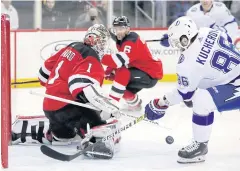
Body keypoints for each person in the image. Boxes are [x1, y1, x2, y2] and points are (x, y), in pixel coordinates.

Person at [11, 24, 121, 159]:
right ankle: (94, 142)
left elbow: (43, 74)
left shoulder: (71, 47)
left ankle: (54, 134)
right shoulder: (91, 56)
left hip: (48, 106)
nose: (104, 46)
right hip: (67, 107)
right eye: (103, 42)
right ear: (95, 41)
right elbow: (79, 86)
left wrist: (57, 87)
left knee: (66, 136)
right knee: (98, 120)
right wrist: (106, 106)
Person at [145, 16, 240, 164]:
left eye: (177, 41)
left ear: (184, 39)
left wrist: (160, 103)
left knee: (202, 100)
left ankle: (200, 146)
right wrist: (172, 40)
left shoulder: (186, 64)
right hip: (234, 77)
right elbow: (226, 37)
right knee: (202, 88)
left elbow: (183, 93)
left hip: (236, 85)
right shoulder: (207, 31)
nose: (176, 45)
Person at [101, 16, 163, 111]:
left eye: (121, 28)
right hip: (142, 70)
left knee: (121, 73)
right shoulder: (124, 38)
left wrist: (100, 56)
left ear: (128, 29)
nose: (118, 31)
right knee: (122, 89)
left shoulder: (130, 42)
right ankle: (135, 105)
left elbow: (119, 61)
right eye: (116, 29)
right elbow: (116, 38)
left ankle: (111, 105)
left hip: (150, 75)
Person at [160, 0, 239, 48]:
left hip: (220, 45)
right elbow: (183, 28)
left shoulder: (221, 8)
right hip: (201, 48)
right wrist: (170, 37)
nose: (205, 1)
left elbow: (232, 25)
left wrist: (223, 34)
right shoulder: (192, 12)